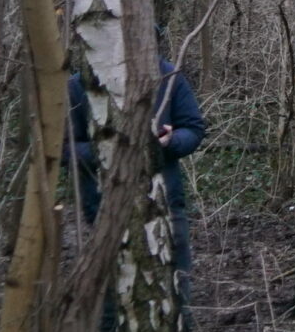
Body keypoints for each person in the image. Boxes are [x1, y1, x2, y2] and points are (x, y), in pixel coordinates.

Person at [66, 40, 208, 273]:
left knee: (176, 275)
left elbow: (193, 128)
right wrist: (104, 151)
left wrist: (170, 141)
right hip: (103, 206)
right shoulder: (79, 86)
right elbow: (63, 148)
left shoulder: (168, 76)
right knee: (112, 280)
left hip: (166, 200)